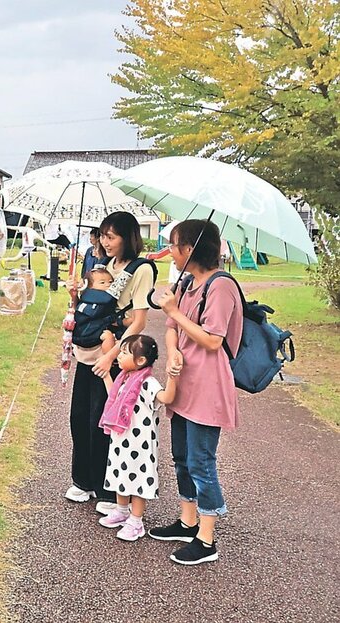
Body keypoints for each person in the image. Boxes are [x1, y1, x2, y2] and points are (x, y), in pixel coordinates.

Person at [153, 219, 242, 565]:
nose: (170, 252)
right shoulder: (187, 281)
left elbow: (212, 339)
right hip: (184, 382)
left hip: (207, 386)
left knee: (201, 461)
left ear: (190, 249)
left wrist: (174, 310)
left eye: (174, 245)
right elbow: (173, 327)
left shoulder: (221, 287)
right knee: (181, 456)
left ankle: (206, 540)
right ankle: (187, 521)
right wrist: (173, 349)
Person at [66, 211, 155, 513]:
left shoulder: (141, 269)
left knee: (103, 421)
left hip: (118, 355)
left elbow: (138, 321)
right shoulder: (104, 266)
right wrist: (76, 296)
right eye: (103, 235)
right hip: (89, 350)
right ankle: (83, 480)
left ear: (127, 238)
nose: (105, 241)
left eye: (111, 236)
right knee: (79, 415)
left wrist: (112, 354)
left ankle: (109, 489)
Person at [97, 334, 177, 541]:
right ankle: (122, 510)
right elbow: (113, 400)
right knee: (120, 473)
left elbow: (167, 398)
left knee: (139, 479)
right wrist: (107, 377)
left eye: (124, 353)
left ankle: (136, 521)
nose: (120, 356)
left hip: (140, 444)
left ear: (140, 360)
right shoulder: (124, 378)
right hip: (121, 439)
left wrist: (173, 377)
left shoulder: (148, 383)